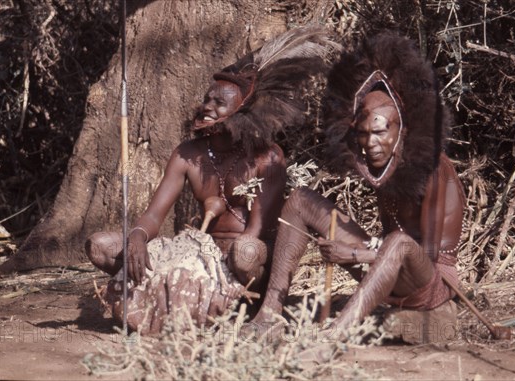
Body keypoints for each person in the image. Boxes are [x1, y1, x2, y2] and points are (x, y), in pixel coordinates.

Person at [85, 27, 340, 333]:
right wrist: (138, 236)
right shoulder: (186, 155)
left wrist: (214, 267)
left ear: (243, 113)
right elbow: (154, 215)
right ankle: (195, 299)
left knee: (244, 252)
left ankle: (237, 303)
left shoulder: (268, 158)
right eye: (207, 99)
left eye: (219, 103)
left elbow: (257, 231)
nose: (207, 107)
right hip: (199, 251)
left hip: (244, 260)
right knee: (101, 246)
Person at [251, 31, 465, 337]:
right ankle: (269, 314)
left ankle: (338, 333)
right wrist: (364, 253)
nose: (370, 143)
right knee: (300, 200)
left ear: (401, 129)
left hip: (430, 285)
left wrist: (353, 255)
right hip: (388, 265)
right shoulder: (384, 165)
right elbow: (388, 245)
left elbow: (425, 253)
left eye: (380, 132)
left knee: (399, 243)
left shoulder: (432, 167)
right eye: (363, 134)